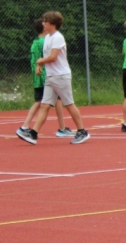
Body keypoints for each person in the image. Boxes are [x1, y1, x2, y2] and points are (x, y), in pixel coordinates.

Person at [16, 11, 90, 145]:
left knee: (68, 104)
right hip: (51, 77)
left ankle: (82, 131)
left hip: (61, 76)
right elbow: (47, 57)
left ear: (52, 24)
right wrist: (40, 66)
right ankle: (33, 133)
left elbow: (53, 57)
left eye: (45, 21)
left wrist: (40, 62)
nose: (43, 23)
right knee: (44, 105)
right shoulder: (48, 38)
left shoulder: (57, 37)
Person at [20, 19, 70, 137]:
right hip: (47, 76)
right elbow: (49, 58)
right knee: (43, 102)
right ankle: (26, 126)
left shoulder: (35, 42)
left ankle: (61, 127)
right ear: (44, 28)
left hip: (40, 75)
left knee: (44, 102)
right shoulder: (45, 42)